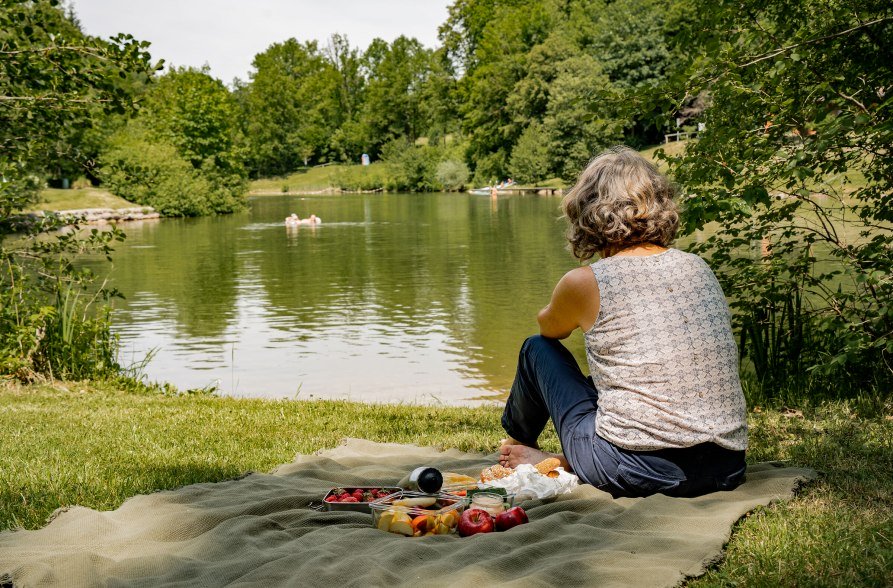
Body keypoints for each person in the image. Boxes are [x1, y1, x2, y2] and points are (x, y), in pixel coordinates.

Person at [498, 146, 748, 498]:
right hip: (726, 466)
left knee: (536, 349)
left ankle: (514, 457)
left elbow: (548, 329)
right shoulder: (698, 266)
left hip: (636, 470)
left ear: (587, 212)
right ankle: (554, 459)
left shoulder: (586, 282)